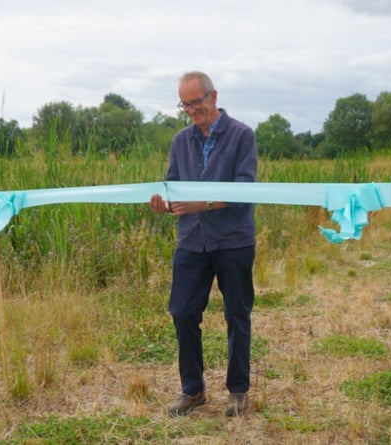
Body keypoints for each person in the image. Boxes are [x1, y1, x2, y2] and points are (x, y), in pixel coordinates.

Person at [150, 71, 258, 417]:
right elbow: (173, 186)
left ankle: (238, 391)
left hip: (233, 241)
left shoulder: (242, 135)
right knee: (182, 313)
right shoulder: (180, 140)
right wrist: (164, 203)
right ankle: (193, 390)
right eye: (185, 104)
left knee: (236, 314)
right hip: (192, 242)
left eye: (196, 102)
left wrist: (204, 204)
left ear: (213, 96)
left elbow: (245, 192)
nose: (191, 110)